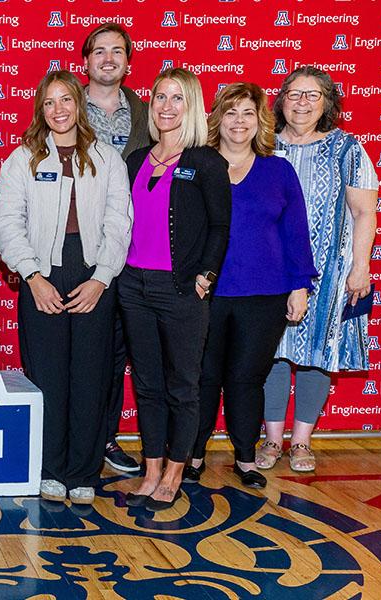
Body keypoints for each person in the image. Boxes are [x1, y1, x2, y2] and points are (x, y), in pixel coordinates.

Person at [0, 70, 132, 507]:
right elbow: (6, 223)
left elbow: (119, 223)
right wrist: (32, 277)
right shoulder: (23, 159)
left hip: (94, 275)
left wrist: (101, 278)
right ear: (41, 109)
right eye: (49, 102)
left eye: (66, 101)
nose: (58, 110)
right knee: (49, 376)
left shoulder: (108, 158)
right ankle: (51, 468)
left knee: (91, 378)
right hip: (43, 275)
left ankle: (83, 471)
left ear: (80, 105)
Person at [188, 83, 317, 489]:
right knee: (204, 377)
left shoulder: (278, 170)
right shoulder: (197, 165)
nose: (239, 121)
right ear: (217, 119)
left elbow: (296, 232)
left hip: (264, 294)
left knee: (246, 378)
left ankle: (246, 457)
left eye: (247, 112)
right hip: (206, 293)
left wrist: (300, 286)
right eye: (230, 112)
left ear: (259, 120)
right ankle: (192, 454)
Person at [119, 68, 230, 511]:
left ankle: (175, 470)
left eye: (177, 99)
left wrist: (206, 275)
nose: (166, 107)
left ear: (193, 107)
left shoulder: (206, 162)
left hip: (181, 288)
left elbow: (221, 226)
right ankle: (150, 468)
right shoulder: (136, 159)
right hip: (133, 285)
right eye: (160, 97)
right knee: (146, 384)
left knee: (182, 385)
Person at [259, 67, 379, 473]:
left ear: (328, 103)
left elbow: (364, 212)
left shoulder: (348, 149)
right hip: (269, 270)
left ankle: (301, 442)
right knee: (271, 352)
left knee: (316, 355)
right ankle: (271, 440)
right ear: (281, 100)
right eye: (294, 95)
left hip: (329, 272)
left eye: (313, 96)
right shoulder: (263, 145)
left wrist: (360, 267)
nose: (302, 103)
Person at [80, 22, 151, 474]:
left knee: (123, 351)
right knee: (87, 350)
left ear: (128, 61)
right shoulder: (65, 105)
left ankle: (107, 438)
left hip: (140, 246)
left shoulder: (151, 110)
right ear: (84, 61)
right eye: (99, 51)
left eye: (117, 51)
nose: (108, 58)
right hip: (81, 247)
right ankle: (78, 440)